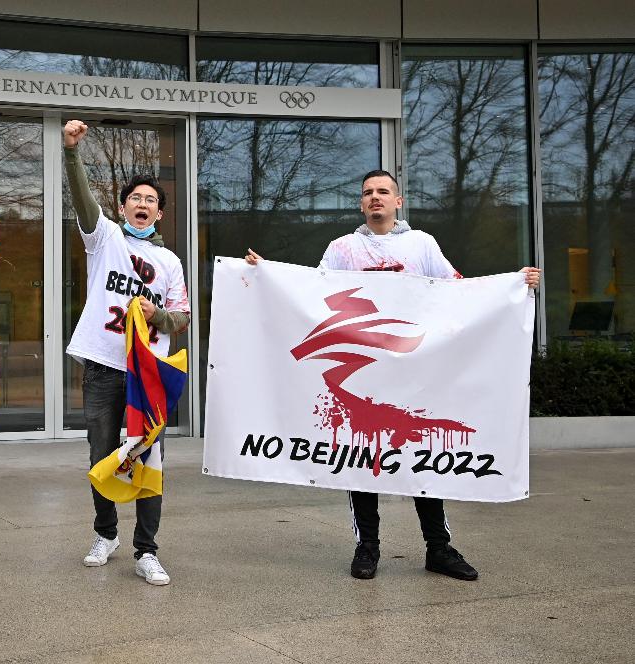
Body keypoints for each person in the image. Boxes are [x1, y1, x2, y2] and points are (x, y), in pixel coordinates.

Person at [246, 169, 540, 582]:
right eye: (368, 192)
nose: (375, 197)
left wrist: (514, 284)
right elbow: (311, 291)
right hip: (361, 376)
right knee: (361, 460)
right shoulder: (343, 249)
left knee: (423, 459)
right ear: (361, 203)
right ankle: (367, 547)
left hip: (414, 374)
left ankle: (438, 548)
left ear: (398, 201)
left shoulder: (421, 244)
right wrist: (266, 274)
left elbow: (458, 291)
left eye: (383, 191)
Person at [62, 120, 191, 586]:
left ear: (160, 213)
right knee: (102, 452)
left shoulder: (170, 261)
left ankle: (147, 550)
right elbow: (82, 201)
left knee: (149, 457)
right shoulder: (105, 238)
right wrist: (72, 153)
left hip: (148, 373)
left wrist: (158, 316)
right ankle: (106, 533)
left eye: (150, 200)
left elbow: (182, 318)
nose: (142, 204)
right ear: (122, 207)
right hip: (103, 365)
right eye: (135, 198)